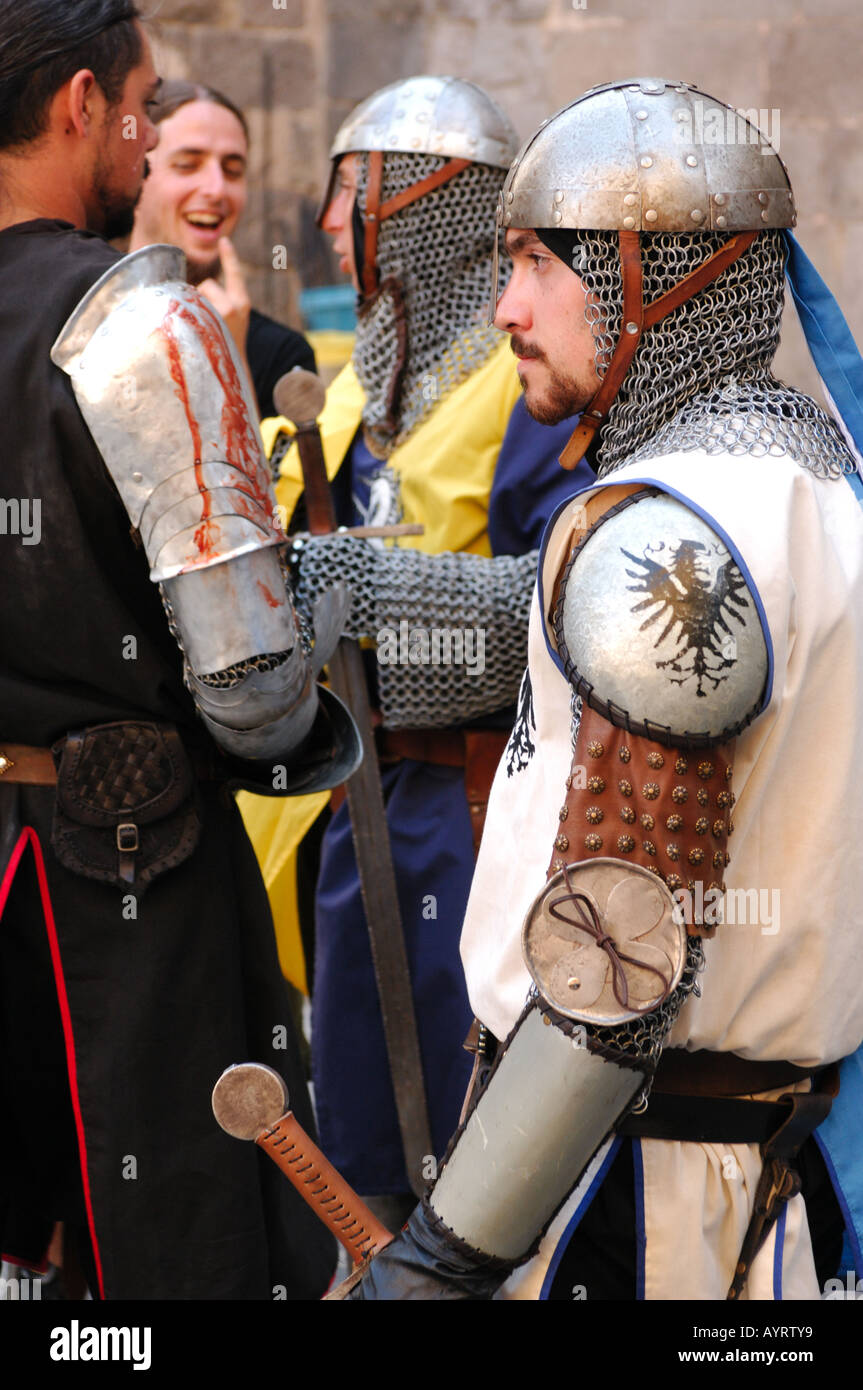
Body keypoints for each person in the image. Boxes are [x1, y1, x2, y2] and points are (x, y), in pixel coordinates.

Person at [342, 78, 863, 1300]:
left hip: (632, 1207)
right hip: (772, 1189)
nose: (505, 305)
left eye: (532, 261)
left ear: (654, 275)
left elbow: (610, 977)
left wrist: (440, 1253)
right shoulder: (820, 485)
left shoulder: (657, 537)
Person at [0, 0, 356, 1299]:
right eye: (144, 110)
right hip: (128, 881)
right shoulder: (144, 327)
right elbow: (255, 690)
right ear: (82, 103)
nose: (151, 146)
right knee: (174, 1254)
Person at [245, 75, 594, 1226]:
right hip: (351, 808)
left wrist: (372, 601)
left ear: (417, 201)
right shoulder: (356, 389)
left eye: (351, 189)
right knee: (360, 1147)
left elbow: (558, 601)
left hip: (466, 804)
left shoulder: (527, 386)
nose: (329, 220)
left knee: (471, 1149)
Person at [129, 77, 315, 418]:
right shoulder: (78, 321)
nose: (216, 189)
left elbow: (266, 473)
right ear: (135, 170)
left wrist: (231, 357)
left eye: (232, 170)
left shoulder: (283, 357)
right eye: (188, 164)